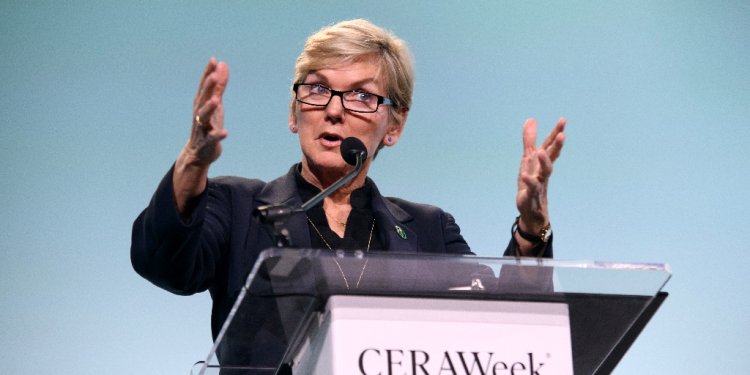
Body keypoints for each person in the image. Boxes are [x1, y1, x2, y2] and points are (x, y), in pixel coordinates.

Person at [131, 19, 566, 368]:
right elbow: (165, 263)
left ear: (394, 126)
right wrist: (193, 161)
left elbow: (506, 328)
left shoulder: (431, 230)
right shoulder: (240, 207)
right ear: (293, 111)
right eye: (318, 88)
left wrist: (531, 228)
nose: (334, 109)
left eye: (361, 95)